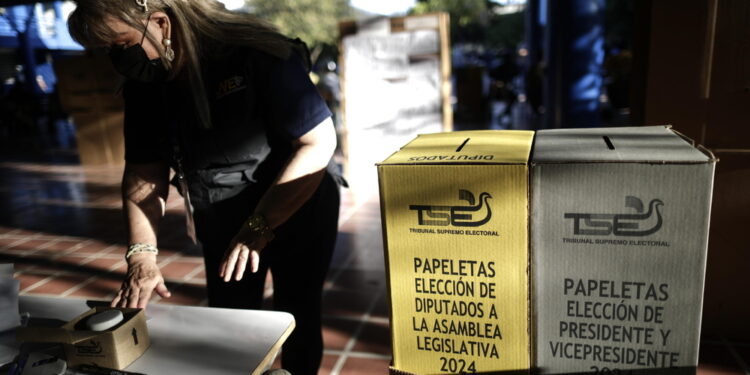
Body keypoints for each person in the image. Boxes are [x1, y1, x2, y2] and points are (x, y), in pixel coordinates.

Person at [67, 1, 341, 374]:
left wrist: (260, 227)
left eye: (119, 43)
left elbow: (317, 143)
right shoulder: (146, 83)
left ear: (161, 23)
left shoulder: (252, 52)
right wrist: (142, 256)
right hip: (223, 214)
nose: (114, 58)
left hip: (296, 201)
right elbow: (144, 174)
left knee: (299, 314)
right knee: (230, 322)